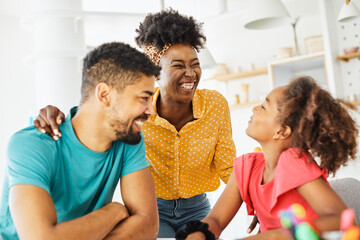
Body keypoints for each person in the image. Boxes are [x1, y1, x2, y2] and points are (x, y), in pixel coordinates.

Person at [31, 9, 239, 238]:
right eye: (178, 65)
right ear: (156, 73)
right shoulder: (138, 111)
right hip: (152, 207)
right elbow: (96, 118)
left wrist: (254, 196)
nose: (190, 73)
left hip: (198, 208)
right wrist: (57, 116)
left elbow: (228, 167)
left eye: (195, 64)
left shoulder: (214, 105)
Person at [0, 42, 161, 240]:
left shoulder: (128, 139)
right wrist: (115, 211)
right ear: (104, 95)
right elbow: (42, 238)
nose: (151, 111)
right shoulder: (31, 145)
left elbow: (148, 225)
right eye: (143, 98)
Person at [176, 76, 358, 240]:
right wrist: (200, 233)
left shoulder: (293, 161)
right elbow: (215, 219)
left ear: (282, 131)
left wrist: (276, 235)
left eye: (264, 107)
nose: (255, 108)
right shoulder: (247, 167)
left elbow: (342, 221)